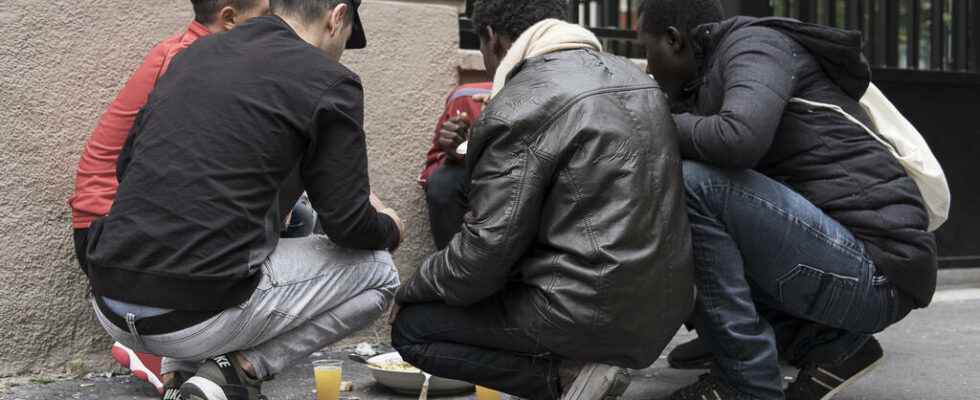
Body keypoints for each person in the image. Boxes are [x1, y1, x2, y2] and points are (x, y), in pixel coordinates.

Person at [83, 1, 403, 399]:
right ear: (337, 17)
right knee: (379, 271)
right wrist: (389, 223)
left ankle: (182, 381)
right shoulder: (330, 79)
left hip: (110, 301)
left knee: (232, 243)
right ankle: (237, 370)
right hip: (196, 318)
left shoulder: (194, 55)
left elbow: (127, 167)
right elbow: (348, 225)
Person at [390, 0, 694, 399]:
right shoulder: (636, 77)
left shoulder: (520, 102)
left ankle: (568, 377)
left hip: (591, 313)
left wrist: (411, 288)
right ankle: (579, 368)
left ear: (490, 38)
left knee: (412, 327)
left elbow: (482, 256)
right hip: (665, 311)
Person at [637, 1, 938, 399]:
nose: (647, 67)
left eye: (647, 51)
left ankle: (747, 383)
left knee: (697, 185)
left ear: (674, 40)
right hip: (840, 259)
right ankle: (827, 344)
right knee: (673, 191)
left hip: (879, 269)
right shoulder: (702, 81)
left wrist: (648, 117)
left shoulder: (756, 46)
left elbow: (737, 138)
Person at [67, 1, 271, 396]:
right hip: (115, 234)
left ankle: (194, 362)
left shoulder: (189, 52)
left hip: (121, 229)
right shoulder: (189, 60)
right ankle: (165, 354)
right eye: (267, 12)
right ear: (228, 19)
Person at [419, 82, 491, 249]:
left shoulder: (549, 95)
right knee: (444, 181)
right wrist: (455, 155)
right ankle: (454, 269)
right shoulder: (468, 98)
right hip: (483, 197)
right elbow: (432, 175)